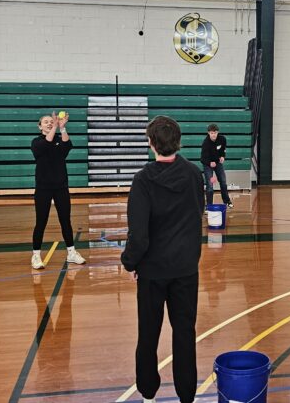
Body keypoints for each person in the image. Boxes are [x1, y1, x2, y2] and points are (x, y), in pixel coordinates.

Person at [122, 116, 204, 403]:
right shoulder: (194, 174)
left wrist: (130, 262)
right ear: (178, 142)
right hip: (185, 269)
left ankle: (148, 394)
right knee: (184, 333)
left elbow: (139, 234)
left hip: (152, 272)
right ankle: (187, 396)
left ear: (151, 143)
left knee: (148, 334)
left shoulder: (143, 180)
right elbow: (197, 213)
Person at [31, 112, 87, 269]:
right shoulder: (36, 142)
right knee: (41, 222)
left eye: (51, 121)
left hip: (61, 187)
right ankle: (36, 255)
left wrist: (62, 128)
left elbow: (67, 145)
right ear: (40, 126)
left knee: (65, 221)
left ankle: (71, 253)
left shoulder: (58, 139)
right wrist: (55, 126)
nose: (49, 123)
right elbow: (45, 144)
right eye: (46, 122)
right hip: (43, 188)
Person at [200, 123, 232, 208]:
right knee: (210, 185)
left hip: (218, 163)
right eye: (212, 133)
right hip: (208, 164)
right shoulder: (205, 143)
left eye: (215, 133)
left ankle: (227, 202)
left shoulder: (222, 139)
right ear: (208, 133)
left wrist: (222, 156)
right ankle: (209, 205)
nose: (213, 135)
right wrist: (209, 163)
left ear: (218, 132)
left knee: (223, 182)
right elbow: (202, 159)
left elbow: (223, 150)